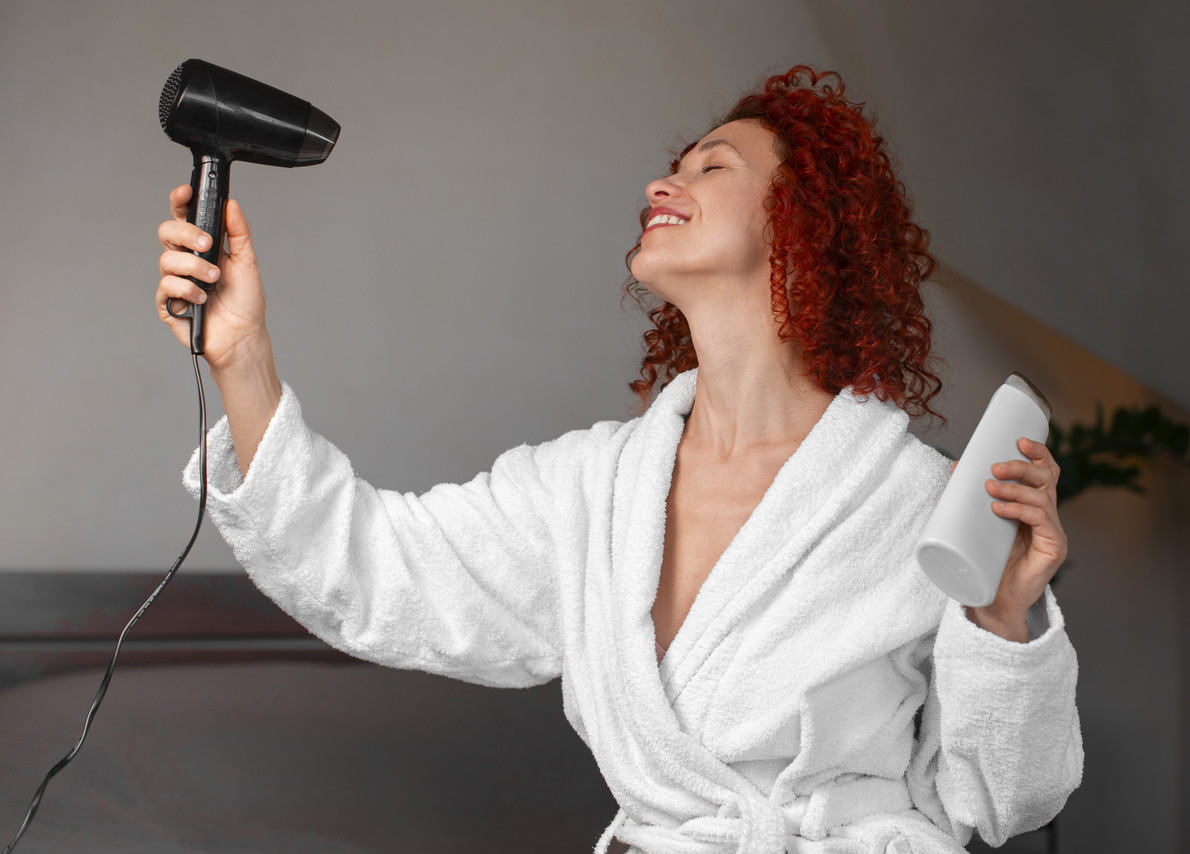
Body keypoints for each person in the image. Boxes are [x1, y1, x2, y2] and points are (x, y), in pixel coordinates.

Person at [155, 66, 1082, 854]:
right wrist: (244, 354)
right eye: (672, 168)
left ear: (803, 226)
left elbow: (998, 797)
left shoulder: (914, 498)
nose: (660, 186)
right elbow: (363, 567)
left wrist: (1004, 622)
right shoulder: (592, 492)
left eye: (711, 167)